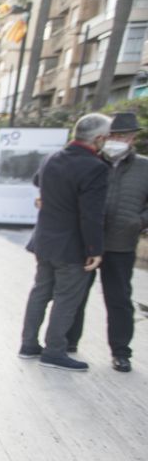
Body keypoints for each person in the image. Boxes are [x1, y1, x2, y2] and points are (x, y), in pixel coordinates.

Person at [19, 113, 111, 372]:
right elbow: (91, 213)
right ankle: (54, 350)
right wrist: (95, 249)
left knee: (40, 292)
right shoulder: (95, 167)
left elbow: (38, 182)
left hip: (45, 241)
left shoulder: (52, 158)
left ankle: (28, 344)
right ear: (100, 138)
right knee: (66, 299)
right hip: (71, 246)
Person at [65, 112, 148, 372]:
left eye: (123, 135)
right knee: (76, 295)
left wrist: (139, 221)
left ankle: (121, 351)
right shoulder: (89, 160)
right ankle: (68, 342)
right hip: (87, 241)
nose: (117, 140)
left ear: (133, 138)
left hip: (121, 242)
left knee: (119, 298)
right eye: (113, 135)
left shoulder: (143, 167)